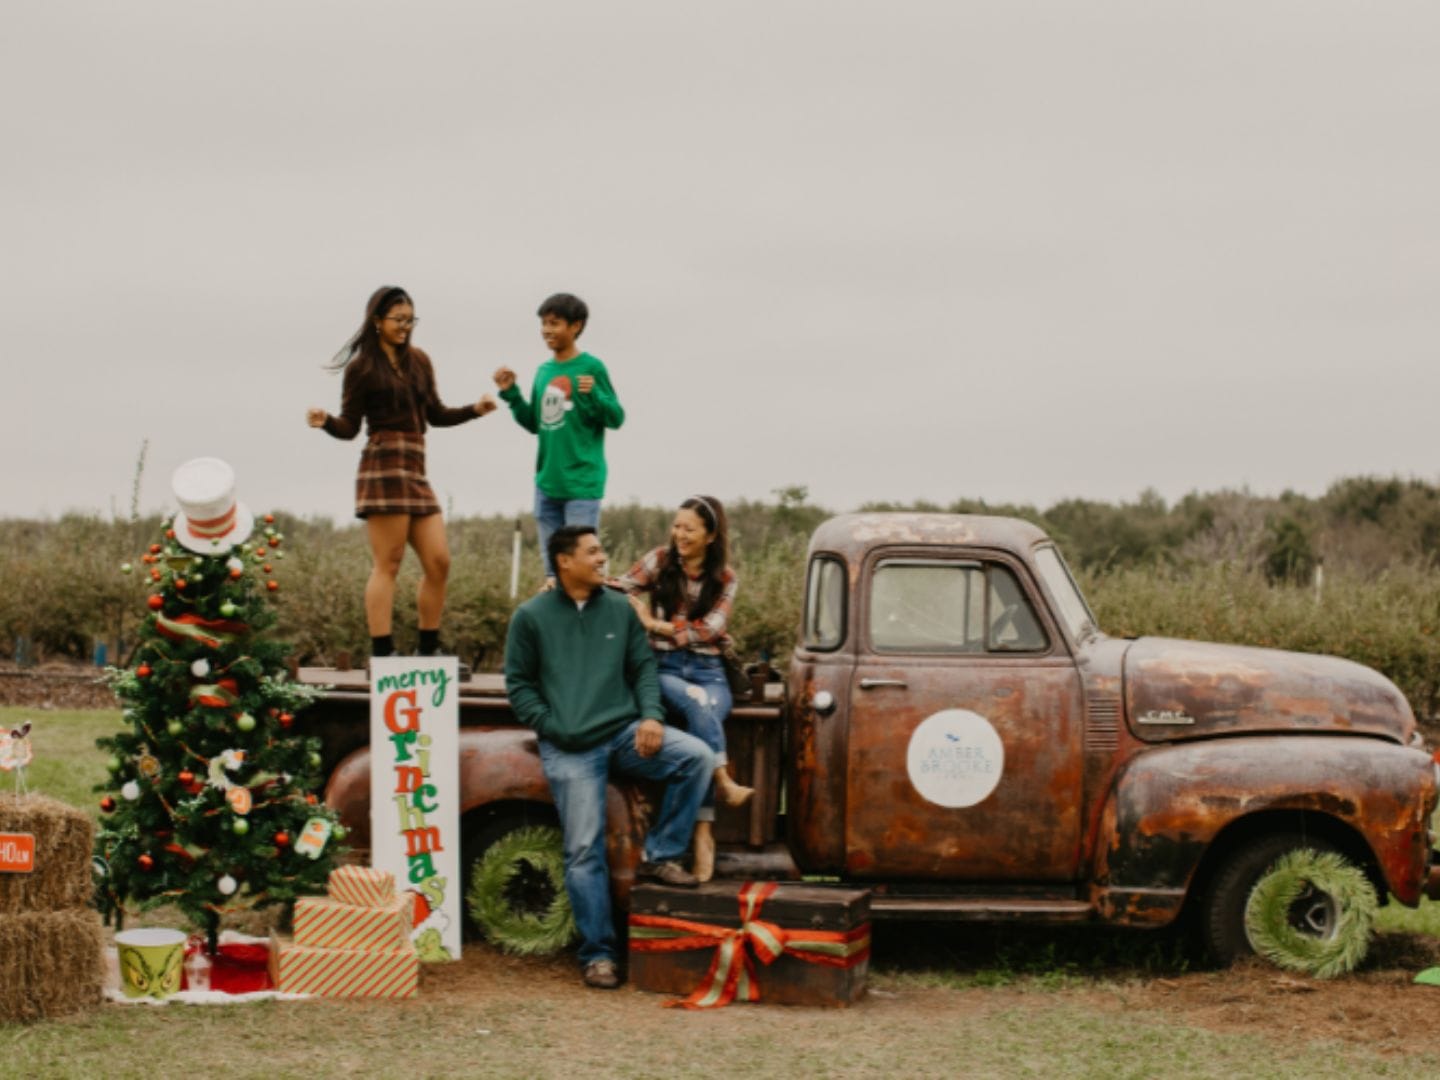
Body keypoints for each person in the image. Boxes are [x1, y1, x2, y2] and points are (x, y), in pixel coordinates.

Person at [505, 525, 715, 990]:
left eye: (602, 550)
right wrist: (553, 725)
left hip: (623, 732)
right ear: (565, 561)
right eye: (593, 552)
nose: (603, 558)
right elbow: (518, 684)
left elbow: (642, 669)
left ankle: (661, 854)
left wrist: (651, 716)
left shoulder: (620, 608)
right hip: (569, 745)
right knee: (583, 848)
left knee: (696, 757)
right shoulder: (531, 616)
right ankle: (598, 954)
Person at [307, 285, 497, 658]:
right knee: (389, 562)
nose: (405, 327)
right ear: (377, 320)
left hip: (415, 465)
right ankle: (383, 652)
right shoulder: (362, 368)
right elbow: (349, 426)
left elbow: (436, 414)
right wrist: (325, 421)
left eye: (410, 320)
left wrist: (475, 409)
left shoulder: (419, 361)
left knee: (439, 561)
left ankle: (428, 648)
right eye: (398, 320)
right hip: (383, 465)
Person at [612, 495, 752, 883]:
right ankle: (720, 787)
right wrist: (567, 582)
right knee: (697, 706)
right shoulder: (660, 560)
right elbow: (620, 585)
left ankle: (703, 826)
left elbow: (711, 629)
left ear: (711, 535)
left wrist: (654, 625)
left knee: (704, 710)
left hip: (709, 670)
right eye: (676, 526)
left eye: (689, 528)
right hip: (665, 666)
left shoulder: (725, 577)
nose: (679, 535)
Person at [493, 293, 624, 588]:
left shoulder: (592, 368)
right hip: (547, 484)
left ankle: (593, 612)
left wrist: (596, 395)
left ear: (576, 326)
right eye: (543, 323)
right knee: (554, 574)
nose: (546, 330)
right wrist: (512, 394)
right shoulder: (543, 372)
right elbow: (534, 423)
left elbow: (616, 418)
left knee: (581, 569)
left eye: (554, 323)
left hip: (581, 484)